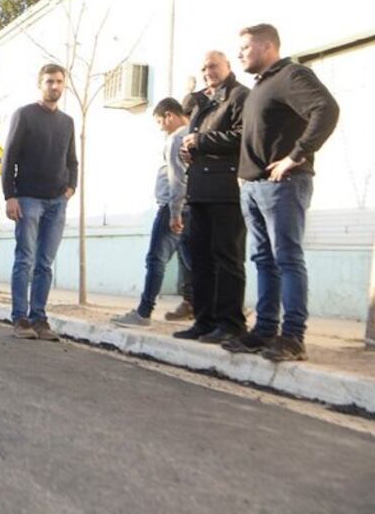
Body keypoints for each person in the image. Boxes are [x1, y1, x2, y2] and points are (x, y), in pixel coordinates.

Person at [222, 24, 339, 362]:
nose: (240, 53)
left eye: (245, 46)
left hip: (283, 185)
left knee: (287, 257)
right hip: (254, 187)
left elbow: (326, 110)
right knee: (263, 260)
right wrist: (245, 176)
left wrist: (294, 156)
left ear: (268, 46)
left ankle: (292, 337)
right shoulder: (261, 85)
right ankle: (264, 331)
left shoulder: (291, 75)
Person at [173, 51, 251, 343]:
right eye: (204, 67)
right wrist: (188, 149)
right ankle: (203, 321)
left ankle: (230, 323)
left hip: (227, 189)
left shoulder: (240, 96)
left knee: (227, 258)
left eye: (214, 66)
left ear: (228, 67)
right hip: (200, 189)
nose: (208, 72)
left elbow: (245, 135)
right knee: (201, 259)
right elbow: (195, 140)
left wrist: (202, 141)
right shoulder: (202, 101)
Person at [1, 63, 77, 341]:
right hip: (28, 199)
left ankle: (40, 319)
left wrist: (71, 188)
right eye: (49, 81)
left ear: (63, 85)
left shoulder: (67, 122)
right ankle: (20, 318)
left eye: (58, 81)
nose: (54, 86)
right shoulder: (24, 115)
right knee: (25, 259)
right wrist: (10, 195)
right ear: (39, 84)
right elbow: (9, 157)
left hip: (57, 201)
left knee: (45, 263)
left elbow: (72, 160)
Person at [112, 97, 191, 328]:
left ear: (169, 116)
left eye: (159, 121)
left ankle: (144, 312)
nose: (160, 128)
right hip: (192, 207)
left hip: (173, 207)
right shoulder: (193, 135)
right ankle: (216, 306)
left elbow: (178, 179)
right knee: (191, 261)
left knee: (156, 258)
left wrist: (174, 212)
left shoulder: (176, 138)